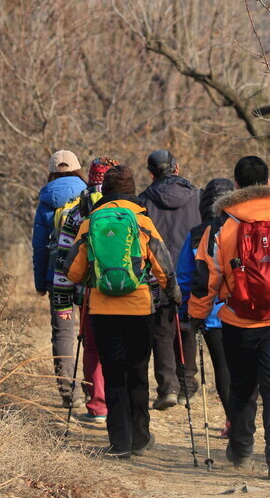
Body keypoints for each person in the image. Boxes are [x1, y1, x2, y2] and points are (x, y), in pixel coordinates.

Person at [189, 172, 270, 479]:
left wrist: (198, 315)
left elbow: (206, 278)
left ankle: (241, 451)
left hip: (236, 320)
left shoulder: (221, 226)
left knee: (242, 386)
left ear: (237, 187)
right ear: (267, 181)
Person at [65, 165, 182, 459]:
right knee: (138, 373)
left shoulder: (90, 222)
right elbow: (163, 266)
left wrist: (95, 275)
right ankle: (141, 437)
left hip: (102, 311)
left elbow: (72, 272)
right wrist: (173, 294)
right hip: (139, 308)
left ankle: (120, 443)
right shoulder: (142, 221)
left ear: (104, 191)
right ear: (132, 190)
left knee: (114, 373)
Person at [52, 157, 119, 425]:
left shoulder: (77, 212)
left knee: (92, 347)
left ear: (90, 179)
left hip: (88, 293)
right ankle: (120, 404)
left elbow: (63, 261)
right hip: (125, 292)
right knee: (118, 347)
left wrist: (62, 302)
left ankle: (98, 405)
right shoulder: (129, 209)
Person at [137, 150, 201, 409]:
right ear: (177, 167)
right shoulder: (198, 197)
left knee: (162, 330)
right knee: (186, 326)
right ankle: (187, 385)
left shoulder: (142, 202)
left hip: (156, 274)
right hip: (191, 272)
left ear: (151, 173)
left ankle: (167, 388)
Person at [176, 178, 235, 426]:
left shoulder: (196, 234)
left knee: (223, 369)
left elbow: (185, 277)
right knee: (243, 371)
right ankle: (244, 422)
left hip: (212, 314)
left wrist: (184, 313)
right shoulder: (243, 228)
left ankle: (234, 422)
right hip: (243, 311)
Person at [32, 150, 87, 407]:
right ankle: (95, 391)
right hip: (87, 273)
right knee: (92, 332)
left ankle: (69, 393)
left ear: (52, 172)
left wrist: (41, 283)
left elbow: (40, 246)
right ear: (78, 169)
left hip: (58, 275)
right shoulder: (90, 196)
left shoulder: (46, 200)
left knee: (63, 332)